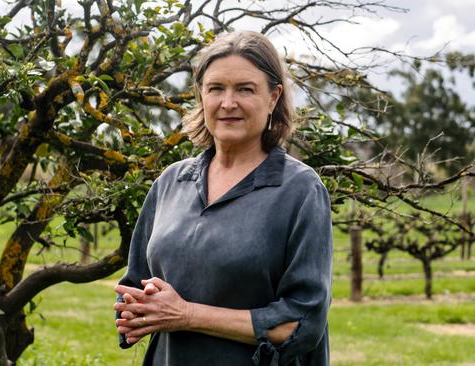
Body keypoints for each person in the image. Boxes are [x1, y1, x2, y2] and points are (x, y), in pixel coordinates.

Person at [114, 31, 333, 366]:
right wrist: (135, 310)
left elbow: (301, 324)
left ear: (273, 97)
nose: (228, 103)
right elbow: (135, 285)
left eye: (245, 89)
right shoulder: (171, 182)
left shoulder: (300, 190)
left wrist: (187, 314)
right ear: (201, 95)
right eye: (216, 88)